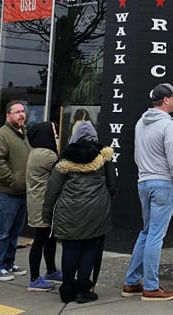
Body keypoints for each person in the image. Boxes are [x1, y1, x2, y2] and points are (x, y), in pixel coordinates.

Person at [122, 83, 173, 301]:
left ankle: (131, 282)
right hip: (164, 183)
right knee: (156, 236)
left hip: (144, 181)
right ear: (166, 100)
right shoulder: (168, 126)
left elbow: (138, 155)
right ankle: (150, 286)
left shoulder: (141, 123)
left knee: (147, 232)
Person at [44, 121, 116, 304]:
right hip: (96, 212)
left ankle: (67, 288)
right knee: (90, 247)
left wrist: (47, 215)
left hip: (69, 213)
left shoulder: (64, 160)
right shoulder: (104, 157)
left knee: (71, 248)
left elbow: (52, 190)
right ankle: (83, 290)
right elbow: (112, 185)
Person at [0, 100, 31, 281]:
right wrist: (13, 181)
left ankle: (8, 263)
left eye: (23, 111)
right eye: (17, 112)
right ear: (8, 116)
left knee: (14, 232)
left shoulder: (24, 134)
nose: (21, 115)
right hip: (6, 193)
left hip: (22, 193)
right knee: (3, 231)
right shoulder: (3, 135)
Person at [24, 120, 62, 291]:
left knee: (49, 238)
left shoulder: (35, 152)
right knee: (40, 240)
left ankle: (51, 271)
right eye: (53, 131)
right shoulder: (47, 155)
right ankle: (34, 278)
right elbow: (63, 169)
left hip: (37, 202)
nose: (56, 134)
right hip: (42, 205)